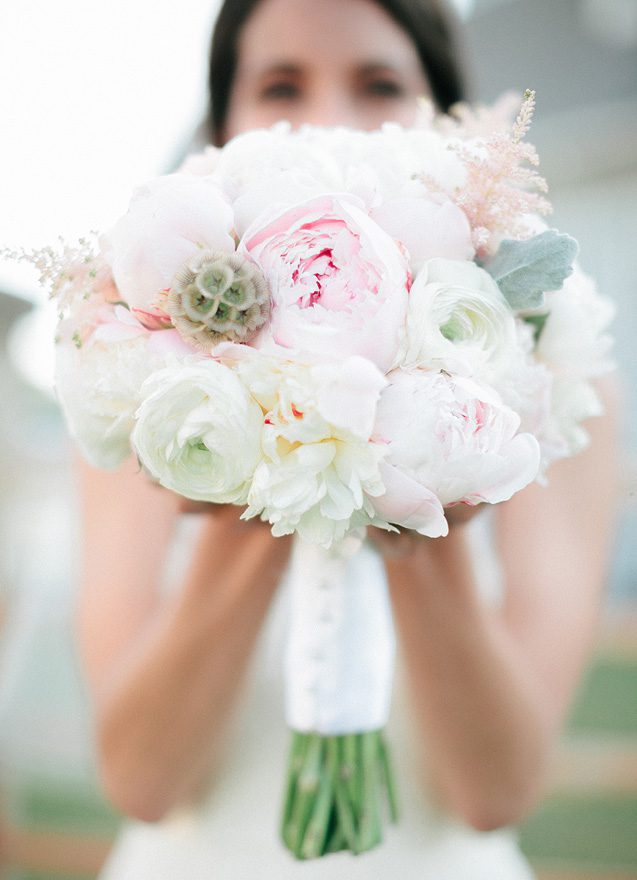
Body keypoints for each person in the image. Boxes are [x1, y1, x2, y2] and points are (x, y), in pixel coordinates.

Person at [80, 1, 620, 877]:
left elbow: (496, 795)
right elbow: (143, 781)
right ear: (223, 129)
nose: (330, 116)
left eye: (381, 84)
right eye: (280, 84)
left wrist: (423, 462)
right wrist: (264, 454)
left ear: (442, 124)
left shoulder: (551, 372)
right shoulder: (138, 379)